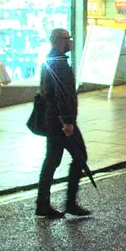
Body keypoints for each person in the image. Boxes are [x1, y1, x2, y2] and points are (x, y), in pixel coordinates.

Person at [36, 28, 92, 219]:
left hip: (53, 119)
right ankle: (69, 203)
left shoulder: (51, 60)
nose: (70, 42)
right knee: (79, 156)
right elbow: (62, 95)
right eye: (68, 39)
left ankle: (43, 203)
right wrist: (67, 122)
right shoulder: (58, 64)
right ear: (60, 41)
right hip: (61, 122)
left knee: (52, 160)